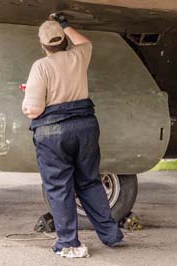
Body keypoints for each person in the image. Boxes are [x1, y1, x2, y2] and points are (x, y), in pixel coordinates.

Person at [22, 13, 123, 258]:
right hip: (85, 126)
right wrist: (65, 25)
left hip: (53, 131)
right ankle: (111, 235)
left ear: (43, 44)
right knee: (89, 181)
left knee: (59, 187)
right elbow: (85, 42)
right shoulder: (80, 55)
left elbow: (33, 109)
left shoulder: (41, 66)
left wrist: (28, 101)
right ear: (64, 40)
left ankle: (69, 243)